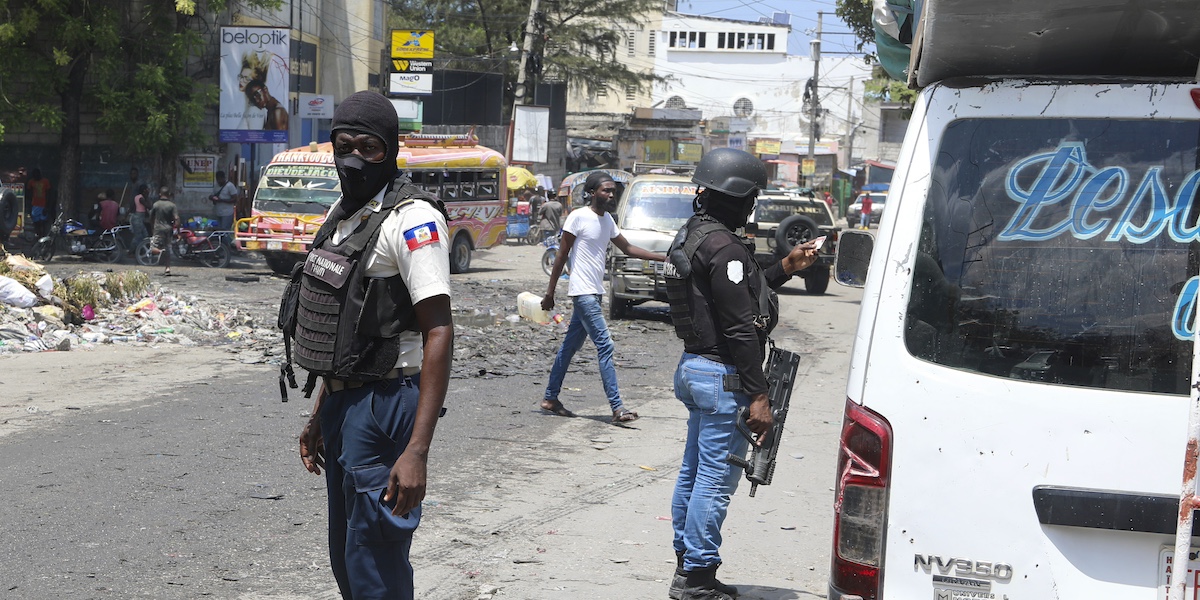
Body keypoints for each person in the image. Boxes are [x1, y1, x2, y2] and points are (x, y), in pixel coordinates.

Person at [294, 90, 453, 600]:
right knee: (347, 557)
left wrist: (417, 452)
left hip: (386, 406)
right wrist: (323, 412)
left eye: (370, 147)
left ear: (391, 150)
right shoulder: (345, 216)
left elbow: (439, 330)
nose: (355, 159)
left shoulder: (413, 221)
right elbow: (346, 332)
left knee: (375, 564)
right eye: (345, 145)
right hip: (345, 403)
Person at [663, 148, 818, 600]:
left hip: (694, 367)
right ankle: (696, 578)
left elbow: (735, 294)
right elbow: (739, 326)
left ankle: (688, 563)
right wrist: (759, 396)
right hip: (721, 376)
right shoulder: (726, 246)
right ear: (743, 197)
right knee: (714, 480)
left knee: (694, 473)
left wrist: (786, 267)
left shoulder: (694, 235)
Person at [538, 171, 666, 423]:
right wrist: (550, 292)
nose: (610, 195)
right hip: (583, 293)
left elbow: (628, 248)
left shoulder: (607, 220)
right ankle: (617, 408)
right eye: (606, 190)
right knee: (605, 345)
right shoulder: (578, 217)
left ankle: (550, 398)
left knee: (569, 348)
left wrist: (664, 257)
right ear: (592, 192)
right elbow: (561, 256)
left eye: (613, 191)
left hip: (594, 294)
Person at [148, 186, 180, 276]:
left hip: (158, 229)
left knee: (153, 248)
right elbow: (177, 219)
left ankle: (160, 252)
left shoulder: (156, 204)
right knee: (167, 248)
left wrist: (152, 227)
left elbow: (151, 217)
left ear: (160, 194)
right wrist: (178, 232)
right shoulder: (172, 205)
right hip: (168, 229)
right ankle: (167, 268)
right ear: (169, 195)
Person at [26, 168, 51, 237]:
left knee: (43, 222)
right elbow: (28, 192)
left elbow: (49, 193)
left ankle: (44, 236)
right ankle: (38, 236)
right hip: (35, 204)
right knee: (36, 222)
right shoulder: (31, 182)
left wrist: (47, 206)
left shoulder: (45, 181)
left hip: (43, 204)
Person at [130, 184, 151, 253]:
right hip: (138, 219)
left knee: (145, 235)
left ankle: (141, 250)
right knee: (138, 236)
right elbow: (149, 206)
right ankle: (131, 251)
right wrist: (147, 197)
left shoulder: (136, 197)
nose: (148, 190)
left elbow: (132, 207)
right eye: (147, 189)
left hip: (138, 217)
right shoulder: (141, 198)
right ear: (144, 190)